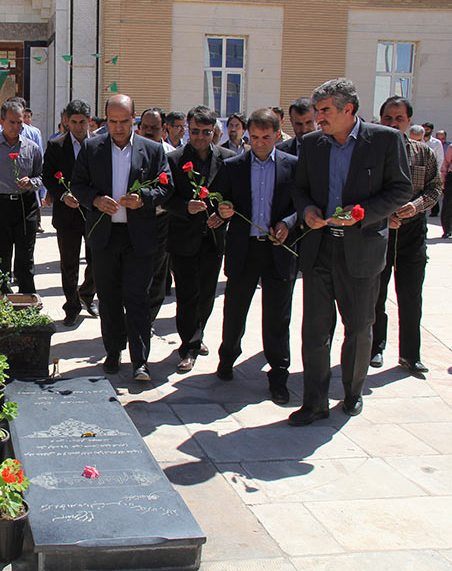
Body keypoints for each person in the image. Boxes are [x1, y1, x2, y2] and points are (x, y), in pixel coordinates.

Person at [289, 78, 411, 426]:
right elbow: (299, 188)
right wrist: (308, 210)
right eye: (317, 111)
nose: (318, 117)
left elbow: (400, 189)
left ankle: (352, 393)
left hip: (362, 250)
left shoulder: (386, 140)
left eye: (325, 111)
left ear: (348, 110)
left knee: (358, 327)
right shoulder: (311, 144)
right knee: (314, 329)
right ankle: (314, 402)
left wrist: (360, 215)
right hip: (319, 248)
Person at [72, 94, 172, 381]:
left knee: (138, 298)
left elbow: (167, 186)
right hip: (105, 236)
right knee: (109, 298)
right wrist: (94, 200)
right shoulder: (92, 148)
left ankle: (140, 360)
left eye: (124, 121)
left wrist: (144, 199)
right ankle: (113, 352)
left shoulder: (152, 150)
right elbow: (78, 184)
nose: (118, 127)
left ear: (134, 119)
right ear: (105, 121)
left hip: (137, 237)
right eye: (113, 122)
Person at [216, 109, 299, 404]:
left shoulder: (293, 166)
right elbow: (219, 198)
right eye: (256, 137)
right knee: (235, 309)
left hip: (277, 250)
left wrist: (287, 223)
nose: (261, 143)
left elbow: (302, 206)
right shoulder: (233, 166)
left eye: (267, 137)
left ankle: (278, 372)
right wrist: (222, 209)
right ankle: (227, 357)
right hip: (244, 249)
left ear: (278, 134)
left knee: (277, 316)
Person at [370, 96, 441, 375]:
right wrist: (384, 214)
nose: (393, 123)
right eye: (388, 118)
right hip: (380, 230)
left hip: (413, 231)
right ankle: (376, 347)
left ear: (410, 121)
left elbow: (435, 189)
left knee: (410, 295)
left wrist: (415, 206)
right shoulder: (371, 154)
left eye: (399, 118)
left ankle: (410, 354)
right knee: (376, 293)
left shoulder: (424, 153)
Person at [164, 105, 235, 373]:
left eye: (206, 132)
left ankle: (198, 332)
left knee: (206, 295)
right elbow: (165, 198)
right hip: (183, 237)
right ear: (186, 130)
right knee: (186, 294)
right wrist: (185, 207)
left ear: (215, 131)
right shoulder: (174, 160)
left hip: (213, 239)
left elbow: (233, 198)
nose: (200, 137)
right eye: (195, 131)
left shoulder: (228, 159)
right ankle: (188, 346)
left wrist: (224, 215)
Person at [42, 99, 97, 326]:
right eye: (73, 122)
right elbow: (47, 176)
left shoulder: (100, 145)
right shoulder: (56, 145)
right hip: (67, 215)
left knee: (97, 260)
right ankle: (72, 305)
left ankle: (87, 294)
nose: (77, 126)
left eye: (82, 122)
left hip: (94, 212)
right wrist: (63, 195)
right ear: (66, 121)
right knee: (69, 263)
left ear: (89, 122)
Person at [0, 99, 43, 293]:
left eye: (20, 122)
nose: (17, 126)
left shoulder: (32, 147)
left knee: (25, 257)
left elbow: (42, 177)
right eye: (12, 122)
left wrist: (31, 183)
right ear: (2, 122)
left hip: (25, 206)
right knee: (0, 255)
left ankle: (27, 297)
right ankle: (1, 297)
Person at [136, 107, 175, 333]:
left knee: (158, 273)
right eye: (146, 127)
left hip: (161, 220)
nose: (149, 132)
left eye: (155, 128)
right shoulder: (130, 151)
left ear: (164, 129)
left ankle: (148, 319)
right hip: (135, 220)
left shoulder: (171, 155)